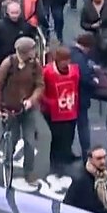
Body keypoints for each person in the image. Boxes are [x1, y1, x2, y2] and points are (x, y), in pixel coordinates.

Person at [0, 35, 45, 191]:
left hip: (28, 109)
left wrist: (32, 100)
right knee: (11, 141)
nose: (35, 52)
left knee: (30, 141)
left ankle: (29, 172)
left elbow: (40, 85)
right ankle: (7, 165)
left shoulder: (35, 65)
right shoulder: (8, 64)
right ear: (25, 51)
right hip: (10, 108)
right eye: (32, 49)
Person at [41, 46, 81, 175]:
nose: (66, 63)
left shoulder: (75, 71)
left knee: (69, 134)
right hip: (53, 112)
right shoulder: (47, 72)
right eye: (64, 60)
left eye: (68, 59)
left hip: (70, 108)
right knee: (57, 137)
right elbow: (40, 89)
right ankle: (55, 161)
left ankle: (67, 154)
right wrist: (48, 103)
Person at [62, 145, 107, 213]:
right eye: (99, 158)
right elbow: (68, 203)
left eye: (104, 157)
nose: (103, 161)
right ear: (90, 159)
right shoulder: (81, 179)